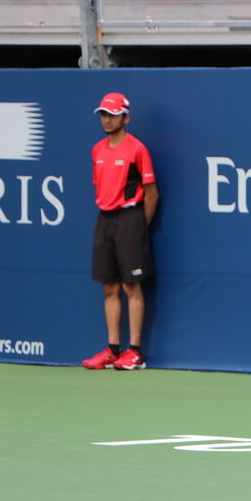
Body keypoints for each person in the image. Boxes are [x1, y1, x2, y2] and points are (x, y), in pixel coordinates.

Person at [81, 92, 159, 371]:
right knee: (109, 286)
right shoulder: (97, 150)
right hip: (104, 220)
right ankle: (112, 349)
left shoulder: (137, 149)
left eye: (112, 115)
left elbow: (151, 193)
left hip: (130, 219)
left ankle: (134, 351)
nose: (106, 120)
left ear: (125, 117)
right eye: (103, 114)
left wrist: (139, 225)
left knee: (131, 286)